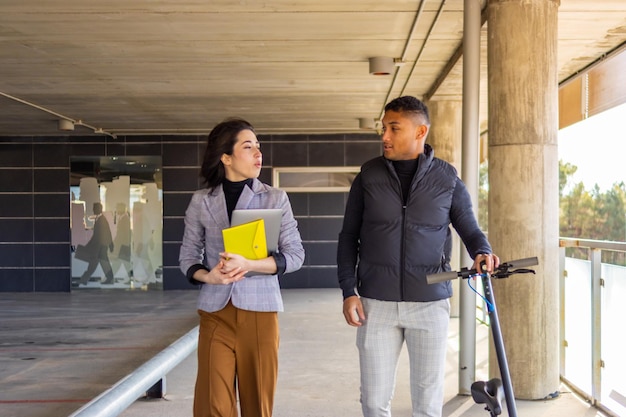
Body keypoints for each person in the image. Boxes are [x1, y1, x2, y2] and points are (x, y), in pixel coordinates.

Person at [337, 96, 499, 417]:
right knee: (373, 401)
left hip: (429, 304)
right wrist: (348, 290)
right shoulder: (368, 176)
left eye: (394, 128)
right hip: (376, 305)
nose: (384, 136)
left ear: (420, 131)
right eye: (384, 128)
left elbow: (469, 227)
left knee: (427, 404)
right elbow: (348, 237)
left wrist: (483, 251)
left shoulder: (447, 179)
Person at [179, 117, 305, 417]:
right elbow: (187, 257)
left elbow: (295, 255)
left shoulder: (275, 197)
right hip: (215, 312)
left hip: (261, 312)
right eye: (248, 147)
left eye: (258, 147)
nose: (258, 154)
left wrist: (250, 264)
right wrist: (207, 275)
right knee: (212, 405)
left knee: (257, 405)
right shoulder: (201, 201)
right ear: (226, 156)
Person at [79, 201, 115, 285]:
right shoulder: (99, 219)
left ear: (99, 209)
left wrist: (110, 244)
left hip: (101, 246)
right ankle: (85, 279)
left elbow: (107, 232)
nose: (93, 210)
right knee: (99, 262)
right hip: (100, 246)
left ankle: (84, 279)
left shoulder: (101, 219)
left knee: (97, 262)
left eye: (94, 208)